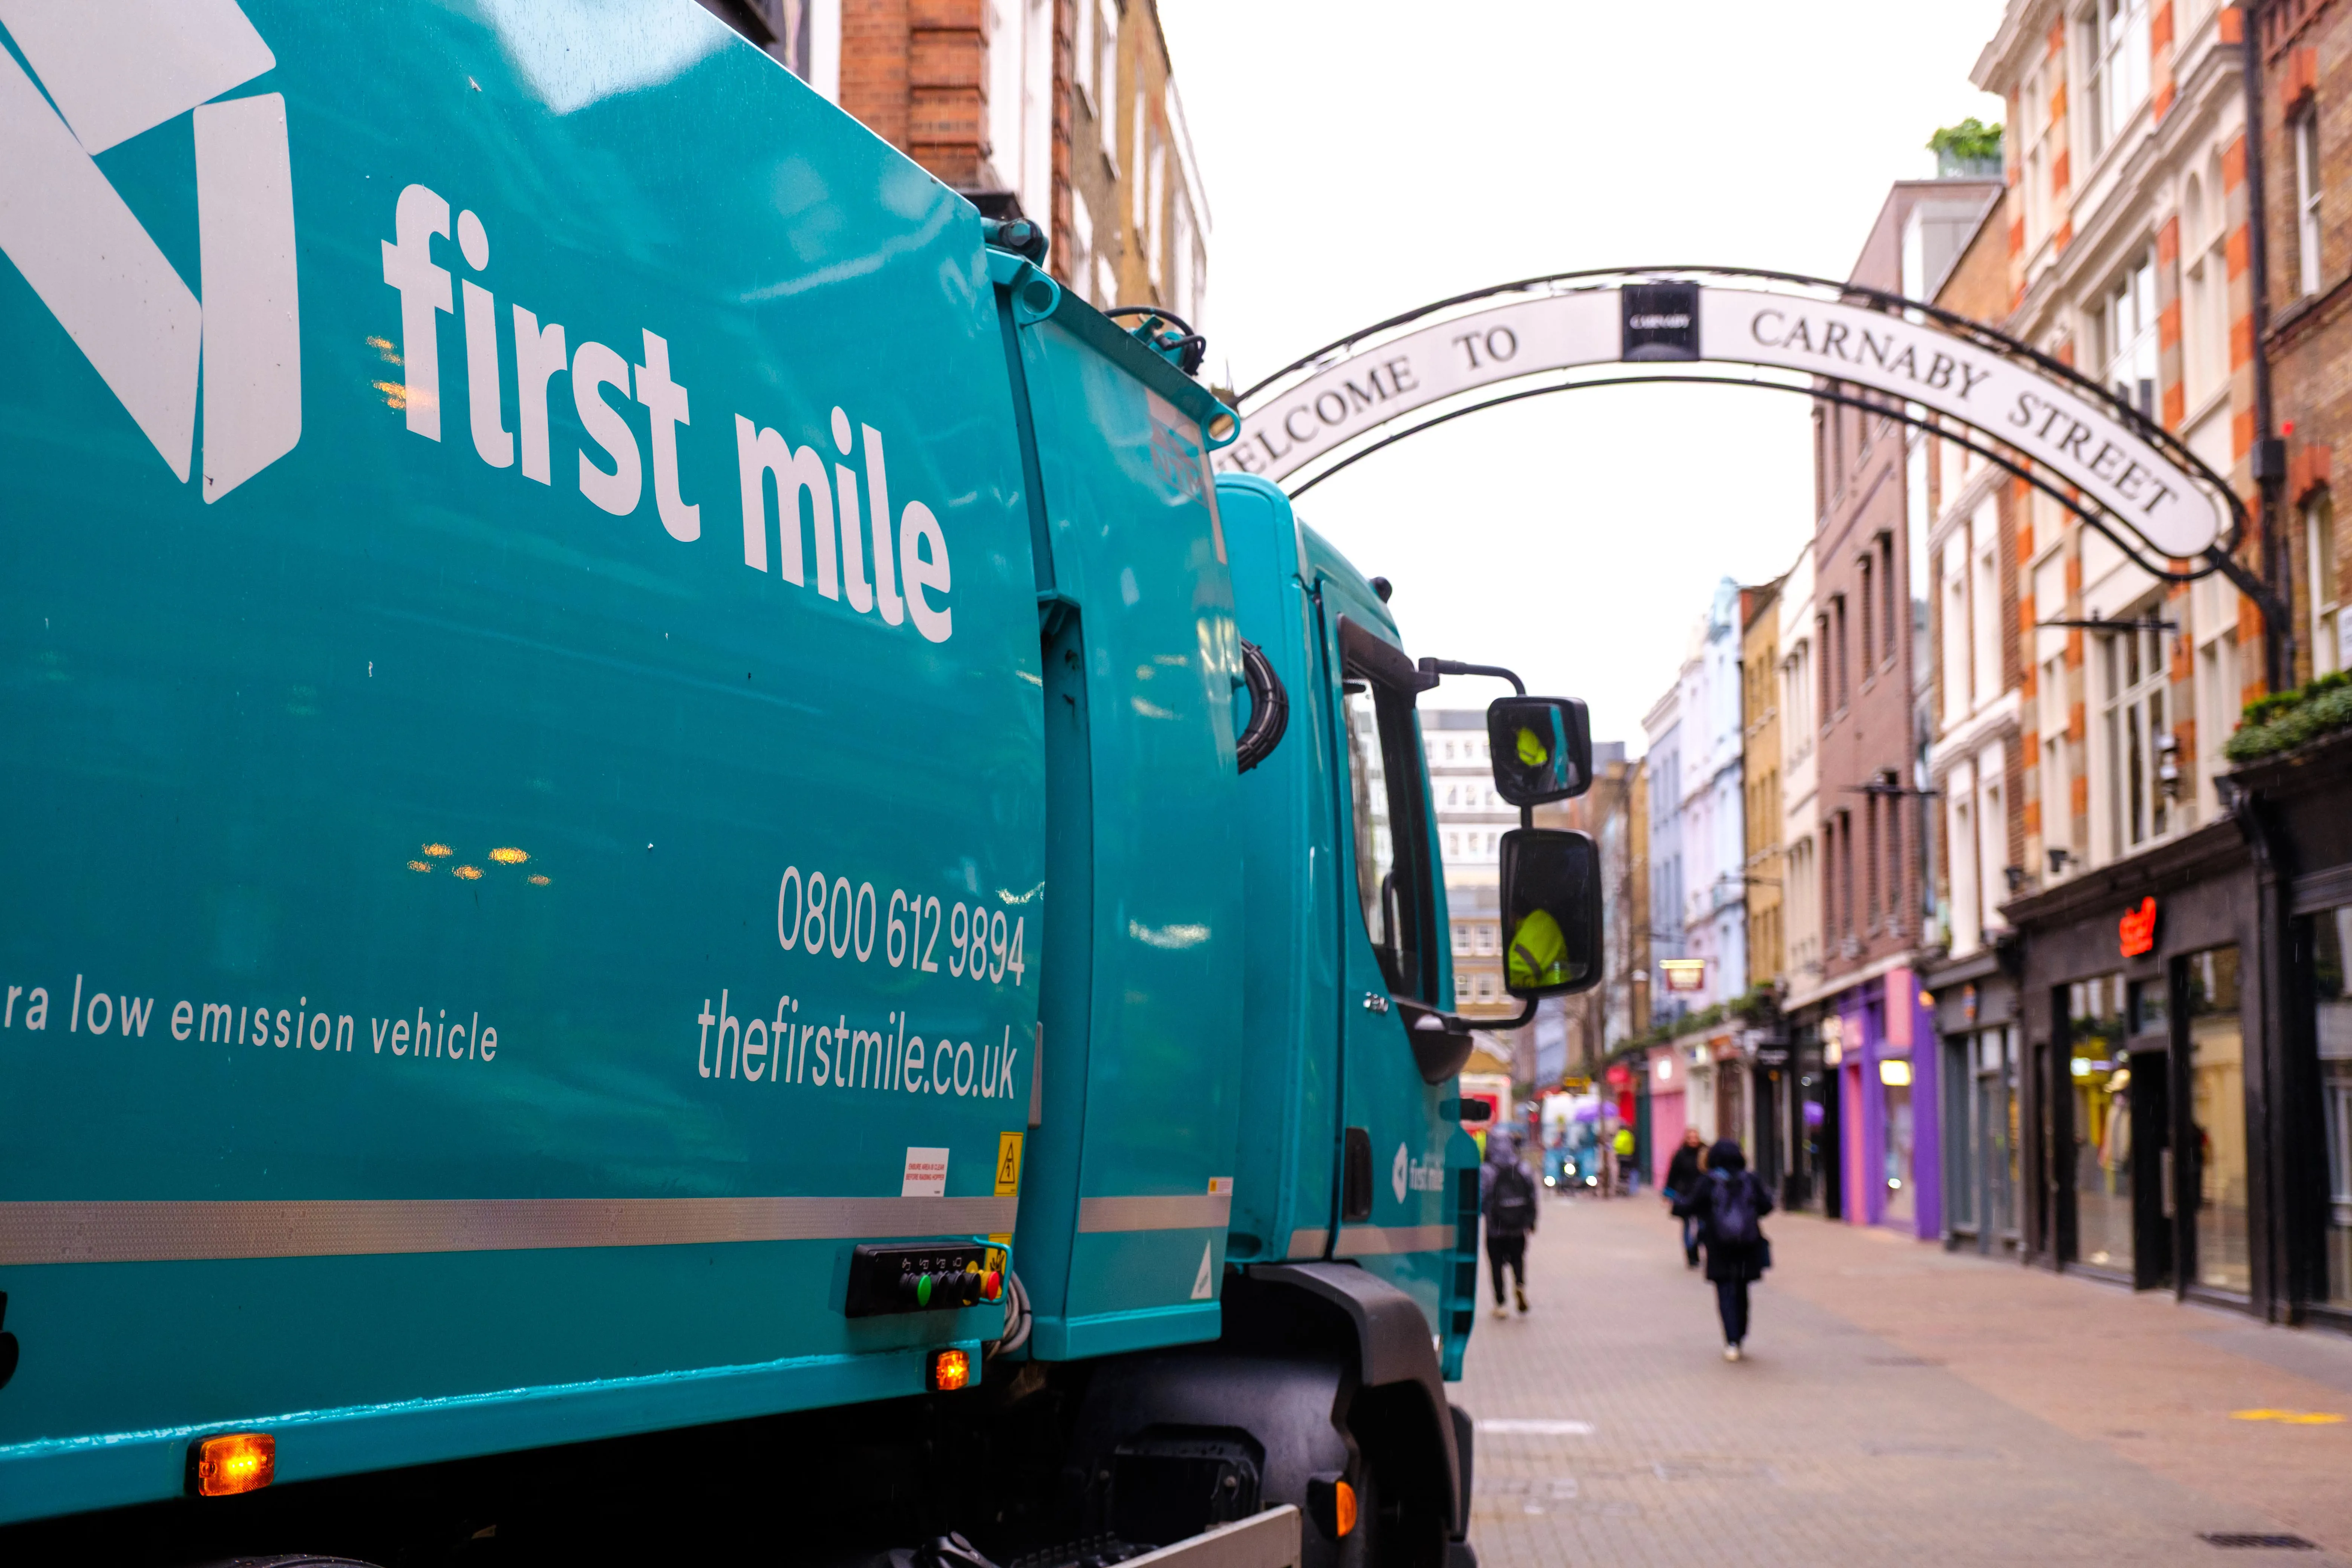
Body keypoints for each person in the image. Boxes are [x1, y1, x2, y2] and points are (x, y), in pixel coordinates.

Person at [1674, 1138, 1773, 1361]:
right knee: (1742, 1290)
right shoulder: (1751, 1179)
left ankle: (1731, 1340)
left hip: (1718, 1245)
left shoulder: (1708, 1182)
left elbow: (1690, 1206)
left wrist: (1678, 1203)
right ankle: (1741, 1333)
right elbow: (1767, 1206)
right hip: (1747, 1243)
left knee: (1725, 1290)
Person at [1480, 1127, 1539, 1317]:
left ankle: (1501, 1303)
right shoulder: (1522, 1167)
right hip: (1518, 1226)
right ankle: (1520, 1286)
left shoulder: (1487, 1170)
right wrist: (1531, 1221)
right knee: (1518, 1260)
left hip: (1495, 1226)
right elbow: (1533, 1195)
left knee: (1496, 1264)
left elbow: (1480, 1197)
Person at [1661, 1127, 1707, 1268]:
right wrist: (1668, 1193)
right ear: (1686, 1139)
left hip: (1703, 1196)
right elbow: (1673, 1175)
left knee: (1703, 1226)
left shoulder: (1705, 1153)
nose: (1693, 1140)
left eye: (1696, 1137)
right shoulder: (1680, 1155)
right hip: (1685, 1196)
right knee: (1688, 1225)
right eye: (1691, 1137)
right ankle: (1691, 1256)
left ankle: (1696, 1249)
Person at [1611, 1124, 1638, 1196]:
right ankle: (1626, 1189)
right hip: (1629, 1156)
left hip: (1620, 1156)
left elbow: (1615, 1145)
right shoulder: (1629, 1135)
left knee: (1621, 1173)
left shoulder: (1619, 1135)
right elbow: (1633, 1145)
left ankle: (1621, 1189)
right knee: (1627, 1173)